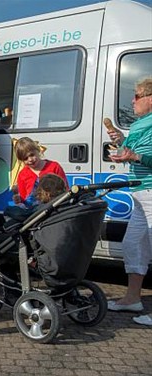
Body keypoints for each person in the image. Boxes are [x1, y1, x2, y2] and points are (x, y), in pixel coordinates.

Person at [106, 77, 152, 327]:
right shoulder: (141, 125)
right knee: (132, 244)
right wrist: (122, 142)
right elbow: (135, 153)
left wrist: (133, 154)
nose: (132, 101)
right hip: (140, 193)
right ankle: (132, 298)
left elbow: (144, 156)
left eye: (136, 96)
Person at [0, 173, 68, 270]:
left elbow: (22, 215)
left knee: (1, 238)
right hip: (52, 241)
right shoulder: (62, 205)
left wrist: (11, 209)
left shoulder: (43, 207)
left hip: (32, 242)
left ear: (45, 193)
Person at [4, 137, 68, 222]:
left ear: (38, 150)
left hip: (54, 208)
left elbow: (65, 189)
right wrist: (18, 199)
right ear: (21, 160)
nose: (30, 159)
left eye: (32, 155)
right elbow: (24, 198)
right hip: (34, 214)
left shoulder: (54, 167)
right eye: (25, 158)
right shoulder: (23, 174)